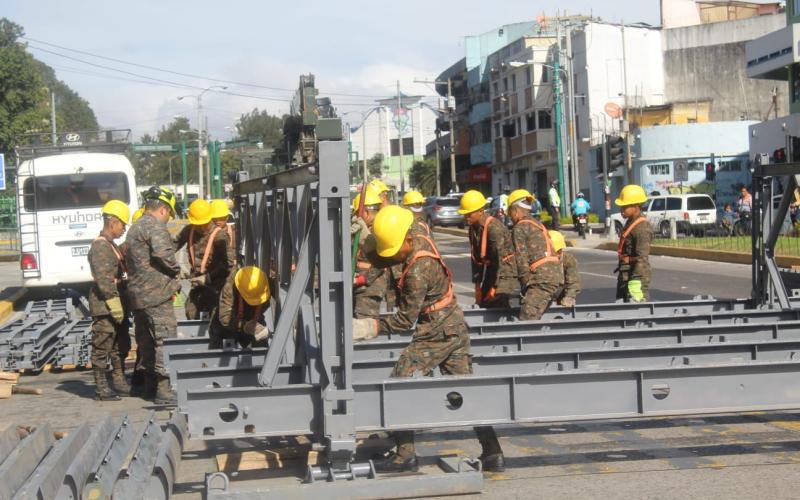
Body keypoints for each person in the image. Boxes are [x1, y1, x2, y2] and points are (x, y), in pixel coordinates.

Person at [352, 206, 505, 473]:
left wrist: (369, 327)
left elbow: (403, 320)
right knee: (465, 391)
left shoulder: (418, 271)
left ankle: (405, 456)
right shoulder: (417, 229)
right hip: (454, 324)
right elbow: (409, 226)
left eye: (395, 250)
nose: (394, 256)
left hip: (436, 331)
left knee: (397, 384)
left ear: (407, 240)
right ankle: (493, 452)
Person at [126, 186, 181, 404]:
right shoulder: (154, 225)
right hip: (157, 294)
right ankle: (164, 390)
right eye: (169, 215)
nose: (167, 219)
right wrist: (176, 270)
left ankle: (149, 387)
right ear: (164, 210)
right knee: (165, 339)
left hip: (138, 295)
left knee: (146, 341)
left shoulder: (135, 227)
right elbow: (163, 254)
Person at [88, 200, 133, 401]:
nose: (124, 229)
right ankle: (101, 387)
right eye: (122, 224)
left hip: (116, 303)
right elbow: (104, 279)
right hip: (105, 306)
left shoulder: (110, 245)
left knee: (119, 345)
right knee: (102, 346)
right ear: (112, 222)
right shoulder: (101, 246)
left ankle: (119, 380)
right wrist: (114, 304)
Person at [507, 189, 564, 320]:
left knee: (527, 319)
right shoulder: (538, 224)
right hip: (556, 277)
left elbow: (521, 261)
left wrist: (525, 284)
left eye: (510, 213)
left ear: (515, 210)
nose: (510, 217)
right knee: (537, 316)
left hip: (541, 280)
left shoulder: (519, 228)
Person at [174, 199, 234, 320]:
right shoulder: (189, 231)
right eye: (198, 224)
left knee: (217, 319)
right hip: (197, 285)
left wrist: (207, 278)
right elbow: (171, 247)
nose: (201, 227)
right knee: (191, 313)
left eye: (204, 223)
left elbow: (228, 264)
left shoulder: (220, 236)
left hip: (217, 285)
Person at [457, 190, 515, 309]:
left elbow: (501, 260)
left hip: (506, 270)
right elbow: (476, 260)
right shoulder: (473, 229)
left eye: (469, 214)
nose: (466, 217)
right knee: (483, 302)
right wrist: (477, 287)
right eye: (464, 214)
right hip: (492, 268)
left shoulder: (494, 228)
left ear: (480, 211)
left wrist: (495, 287)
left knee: (498, 301)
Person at [210, 266, 270, 349]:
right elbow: (225, 318)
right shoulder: (229, 288)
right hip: (227, 325)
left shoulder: (262, 283)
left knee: (262, 345)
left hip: (252, 318)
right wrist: (246, 326)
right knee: (218, 351)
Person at [352, 186, 388, 319]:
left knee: (364, 323)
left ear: (365, 212)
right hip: (358, 283)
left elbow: (382, 261)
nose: (355, 217)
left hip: (370, 285)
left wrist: (362, 279)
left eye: (356, 214)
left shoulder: (380, 230)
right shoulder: (364, 228)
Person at [615, 184, 653, 303]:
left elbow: (642, 258)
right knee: (622, 308)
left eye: (624, 207)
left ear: (636, 206)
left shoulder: (642, 228)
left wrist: (636, 282)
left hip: (636, 277)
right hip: (626, 274)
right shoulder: (631, 222)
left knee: (637, 309)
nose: (621, 210)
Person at [549, 230, 581, 307]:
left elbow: (573, 282)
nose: (558, 254)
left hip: (560, 296)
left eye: (559, 251)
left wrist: (569, 297)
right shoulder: (537, 260)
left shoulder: (568, 259)